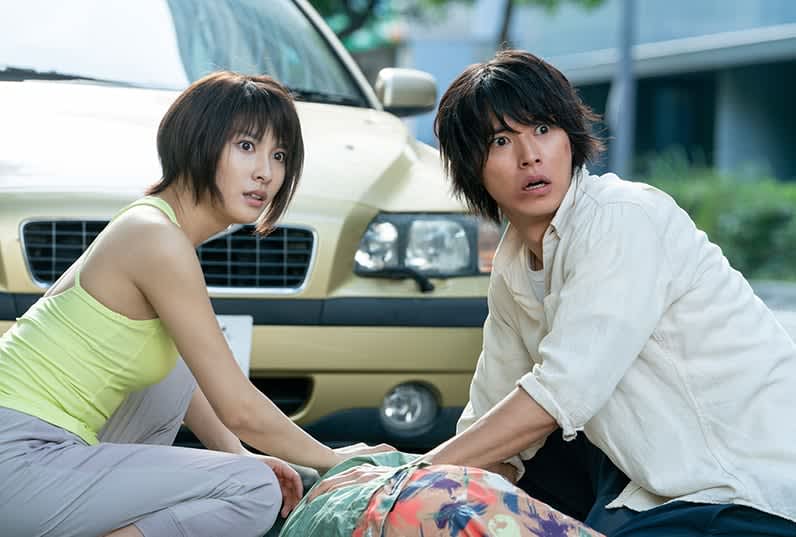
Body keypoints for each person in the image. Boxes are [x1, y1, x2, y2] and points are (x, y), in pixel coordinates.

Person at [308, 50, 796, 536]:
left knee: (515, 441)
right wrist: (430, 491)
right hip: (646, 482)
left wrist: (410, 478)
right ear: (471, 167)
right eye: (501, 141)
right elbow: (491, 421)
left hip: (741, 491)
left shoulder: (622, 217)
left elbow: (562, 392)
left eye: (543, 129)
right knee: (488, 464)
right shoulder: (514, 263)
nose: (530, 156)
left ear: (570, 137)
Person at [0, 71, 385, 537]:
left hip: (40, 451)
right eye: (247, 146)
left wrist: (237, 455)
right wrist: (337, 460)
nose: (266, 172)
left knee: (182, 380)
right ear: (196, 141)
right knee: (253, 492)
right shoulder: (156, 240)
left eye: (279, 155)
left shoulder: (154, 228)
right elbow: (239, 408)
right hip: (18, 455)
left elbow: (186, 378)